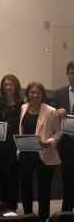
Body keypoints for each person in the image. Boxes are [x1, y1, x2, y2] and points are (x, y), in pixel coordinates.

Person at [18, 82, 62, 222]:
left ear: (43, 95)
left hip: (45, 152)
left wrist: (49, 142)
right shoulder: (23, 108)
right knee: (25, 185)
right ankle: (28, 215)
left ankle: (43, 217)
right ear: (28, 94)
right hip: (26, 152)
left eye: (38, 93)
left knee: (44, 187)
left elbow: (59, 132)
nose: (35, 95)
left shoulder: (50, 111)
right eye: (32, 92)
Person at [0, 74, 23, 212]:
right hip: (0, 143)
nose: (8, 87)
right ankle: (4, 200)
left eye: (11, 84)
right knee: (0, 173)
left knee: (13, 175)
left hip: (14, 145)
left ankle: (12, 205)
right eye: (5, 84)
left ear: (15, 86)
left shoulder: (22, 104)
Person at [52, 60, 74, 212]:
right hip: (66, 144)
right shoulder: (59, 93)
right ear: (67, 74)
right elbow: (51, 111)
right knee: (67, 178)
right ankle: (67, 211)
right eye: (72, 73)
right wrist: (57, 110)